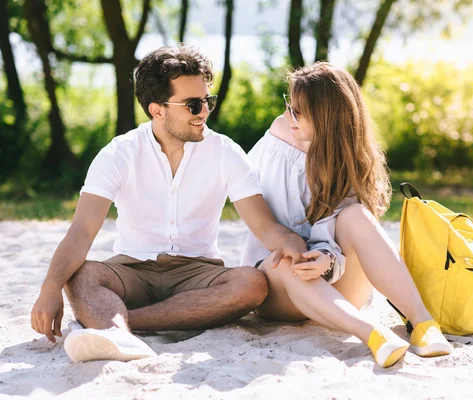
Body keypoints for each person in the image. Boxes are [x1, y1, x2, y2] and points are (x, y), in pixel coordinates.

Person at [30, 44, 307, 363]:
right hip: (131, 271)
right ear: (157, 109)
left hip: (199, 275)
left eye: (208, 101)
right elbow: (81, 230)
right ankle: (119, 326)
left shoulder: (225, 153)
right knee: (80, 275)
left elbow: (264, 225)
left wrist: (290, 242)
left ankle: (120, 328)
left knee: (251, 283)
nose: (204, 111)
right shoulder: (119, 153)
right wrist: (50, 287)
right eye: (192, 104)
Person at [241, 62, 454, 368]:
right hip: (278, 286)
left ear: (326, 119)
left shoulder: (342, 163)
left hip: (334, 283)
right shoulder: (279, 136)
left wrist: (327, 262)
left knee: (357, 216)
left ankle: (422, 323)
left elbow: (331, 237)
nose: (290, 116)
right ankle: (374, 335)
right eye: (290, 106)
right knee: (287, 261)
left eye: (299, 111)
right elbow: (251, 204)